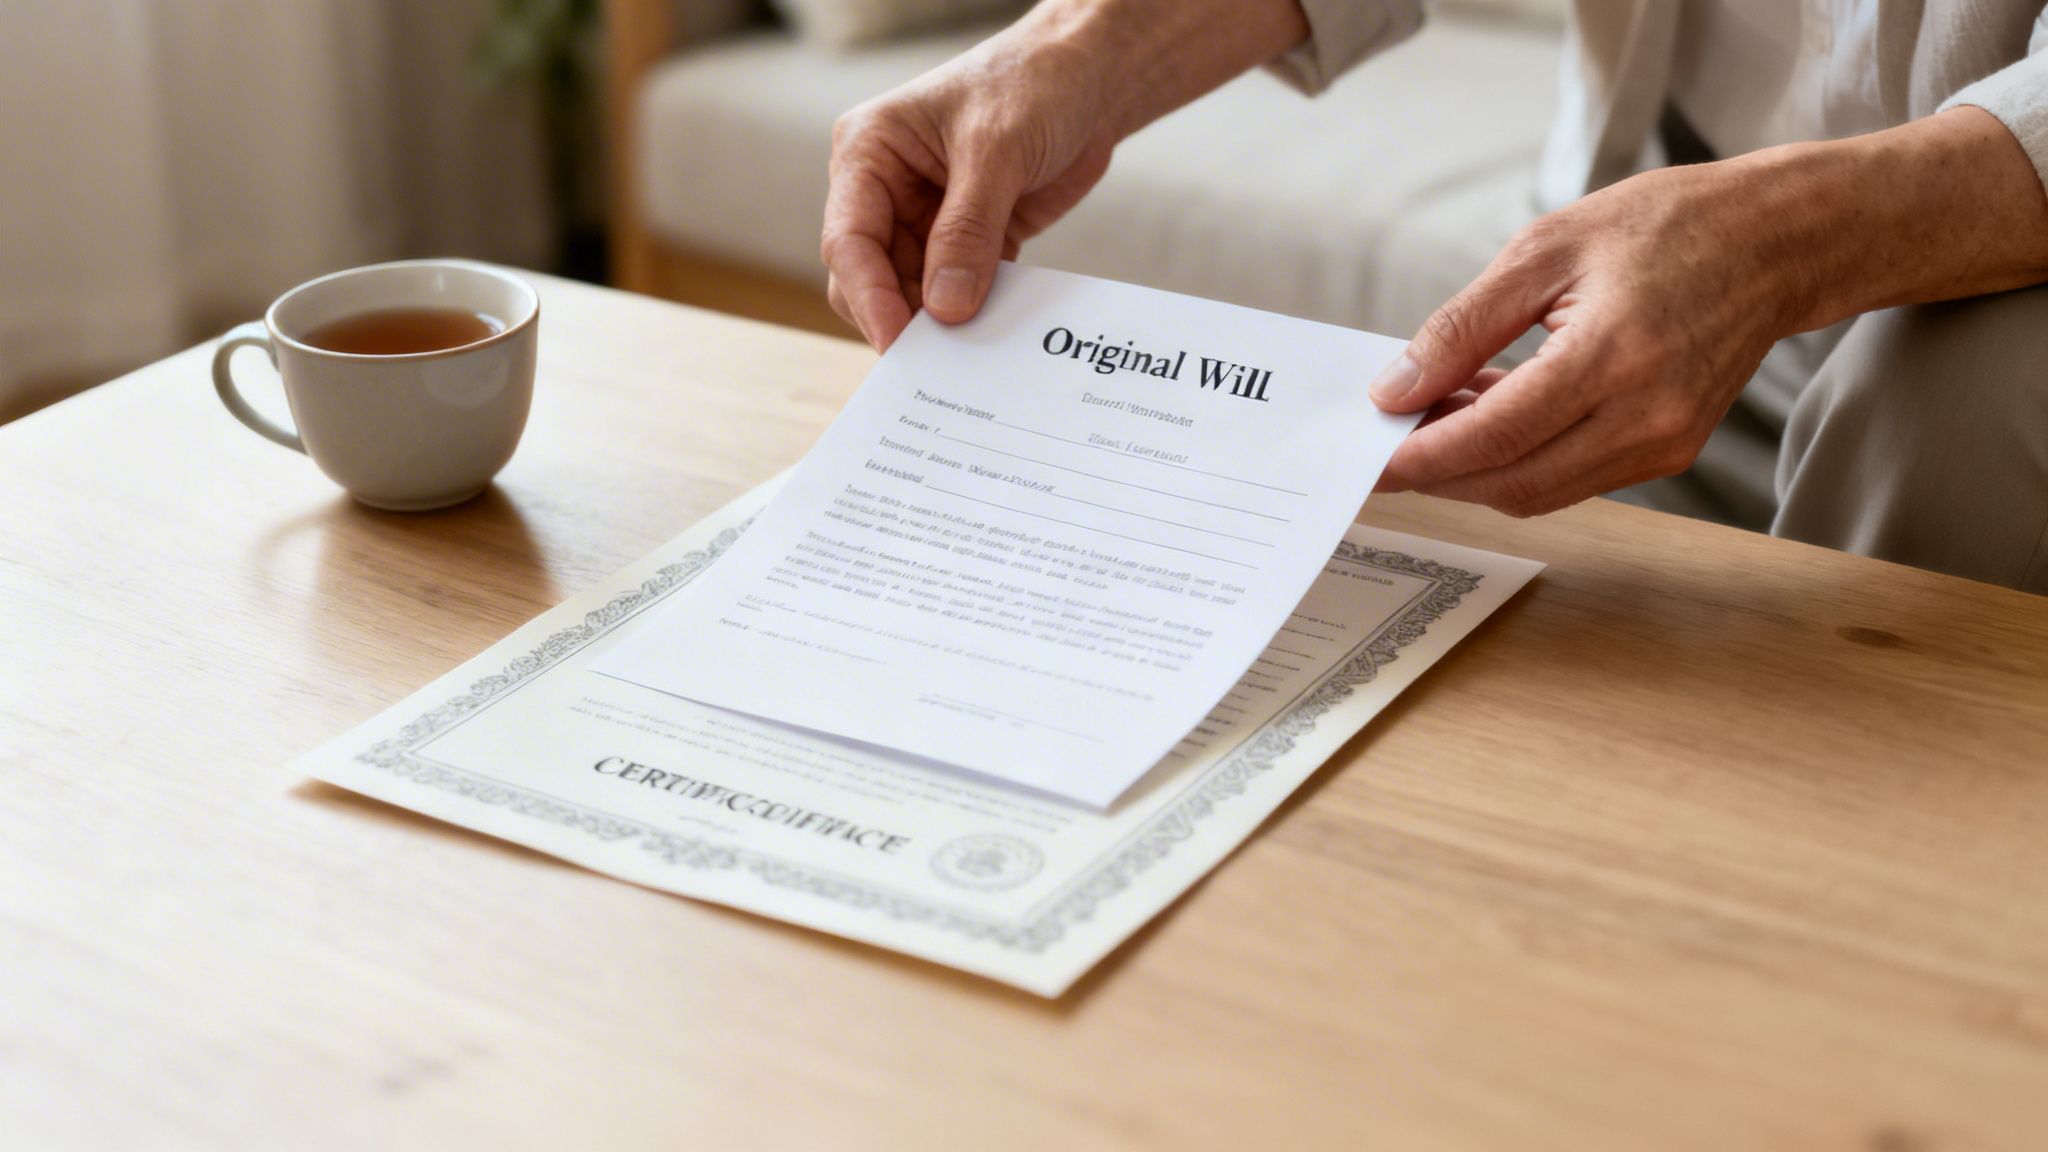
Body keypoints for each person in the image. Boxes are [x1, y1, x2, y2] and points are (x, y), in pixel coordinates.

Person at [819, 0, 2048, 593]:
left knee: (1936, 402)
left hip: (1989, 237)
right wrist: (1073, 52)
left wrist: (1780, 241)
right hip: (1656, 194)